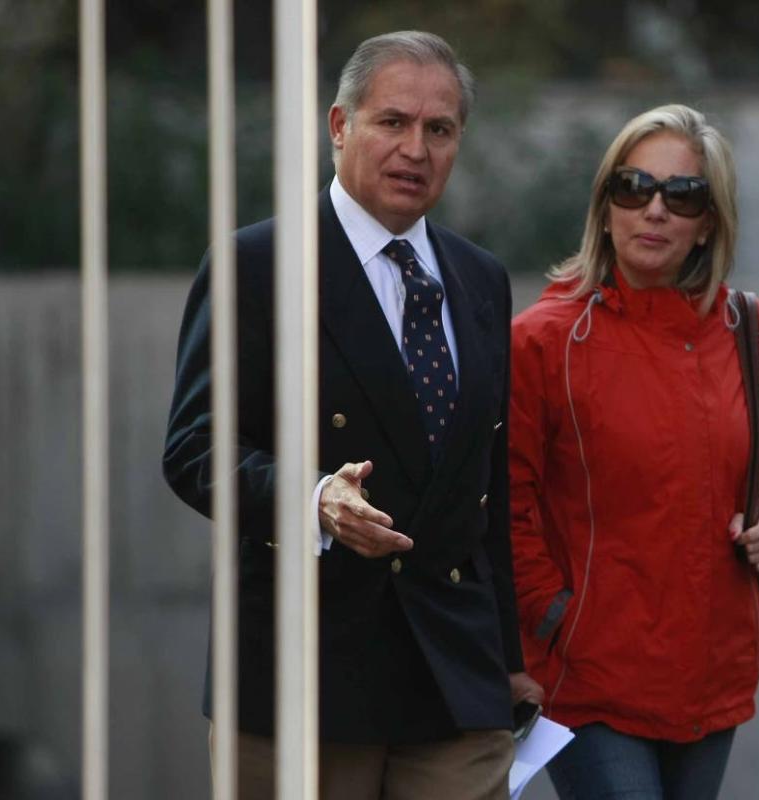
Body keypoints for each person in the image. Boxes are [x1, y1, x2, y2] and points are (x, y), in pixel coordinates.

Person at [163, 30, 542, 800]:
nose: (416, 149)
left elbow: (485, 486)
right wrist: (313, 500)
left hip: (456, 676)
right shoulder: (257, 266)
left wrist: (508, 655)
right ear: (339, 125)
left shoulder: (480, 279)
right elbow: (195, 447)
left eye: (439, 129)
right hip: (305, 674)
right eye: (392, 122)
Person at [508, 104, 759, 799]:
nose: (653, 210)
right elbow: (504, 502)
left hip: (712, 669)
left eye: (682, 195)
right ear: (605, 206)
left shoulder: (756, 333)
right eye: (633, 187)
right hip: (589, 678)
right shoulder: (545, 340)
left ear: (709, 222)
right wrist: (552, 616)